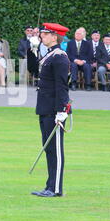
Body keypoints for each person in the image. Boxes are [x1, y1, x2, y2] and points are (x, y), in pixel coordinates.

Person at [32, 22, 70, 198]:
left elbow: (61, 86)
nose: (42, 36)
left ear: (55, 37)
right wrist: (31, 50)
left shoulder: (60, 57)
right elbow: (34, 71)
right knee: (48, 149)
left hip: (55, 110)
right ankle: (49, 185)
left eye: (46, 34)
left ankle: (56, 188)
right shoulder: (50, 55)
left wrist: (62, 110)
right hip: (45, 108)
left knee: (56, 150)